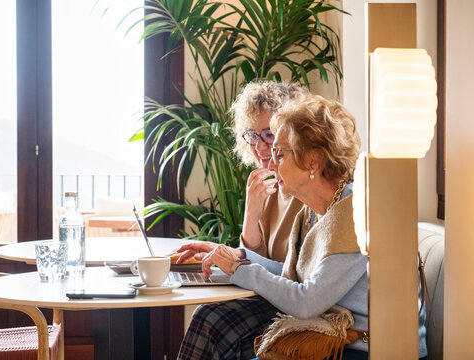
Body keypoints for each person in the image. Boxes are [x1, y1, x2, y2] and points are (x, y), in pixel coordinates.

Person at [176, 95, 429, 360]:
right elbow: (296, 275)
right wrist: (239, 256)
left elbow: (307, 302)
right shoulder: (319, 210)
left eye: (280, 154)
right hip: (337, 339)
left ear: (313, 161)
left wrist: (238, 270)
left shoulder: (357, 215)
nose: (271, 164)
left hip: (370, 350)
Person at [230, 80, 307, 262]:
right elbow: (253, 265)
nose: (258, 146)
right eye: (253, 135)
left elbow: (298, 276)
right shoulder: (266, 187)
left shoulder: (311, 190)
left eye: (269, 135)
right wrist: (251, 214)